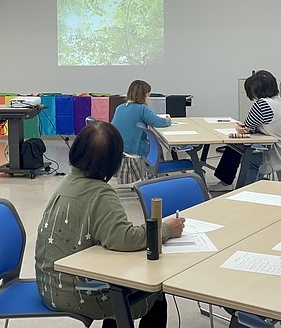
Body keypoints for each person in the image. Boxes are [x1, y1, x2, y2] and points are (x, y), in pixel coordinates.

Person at [35, 121, 184, 327]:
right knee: (154, 293)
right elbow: (125, 238)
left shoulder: (68, 181)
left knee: (120, 285)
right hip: (73, 293)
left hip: (48, 286)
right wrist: (166, 229)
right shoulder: (100, 193)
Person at [210, 70, 281, 191]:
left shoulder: (262, 104)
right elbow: (253, 127)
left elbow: (247, 128)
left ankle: (244, 190)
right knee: (237, 149)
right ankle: (244, 186)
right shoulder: (279, 101)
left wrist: (239, 128)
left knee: (243, 154)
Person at [110, 80, 171, 184]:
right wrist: (168, 120)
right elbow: (160, 122)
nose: (149, 98)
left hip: (117, 149)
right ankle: (159, 178)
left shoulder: (120, 108)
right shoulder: (142, 109)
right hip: (134, 150)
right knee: (159, 148)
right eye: (148, 95)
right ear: (144, 95)